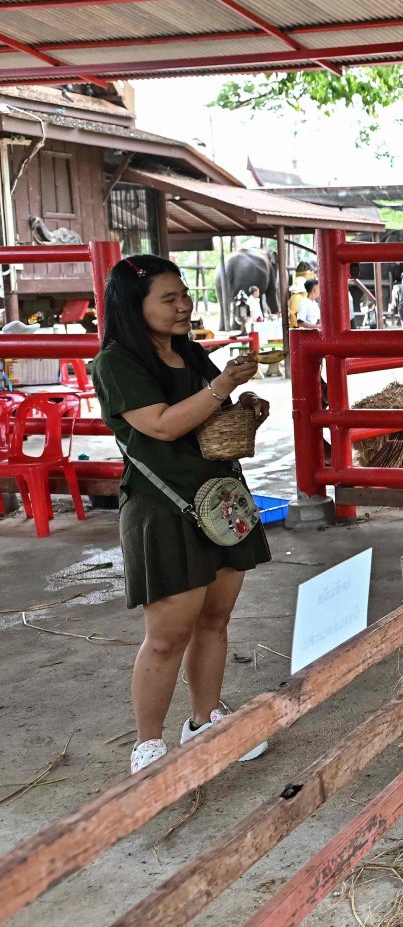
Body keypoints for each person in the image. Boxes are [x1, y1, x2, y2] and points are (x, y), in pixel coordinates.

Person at [90, 255, 272, 775]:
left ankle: (205, 717)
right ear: (133, 306)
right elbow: (165, 426)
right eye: (168, 299)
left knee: (215, 619)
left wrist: (245, 404)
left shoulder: (189, 353)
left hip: (221, 498)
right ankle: (147, 743)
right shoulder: (116, 363)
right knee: (168, 635)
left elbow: (212, 413)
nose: (183, 306)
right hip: (164, 506)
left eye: (184, 295)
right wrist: (220, 387)